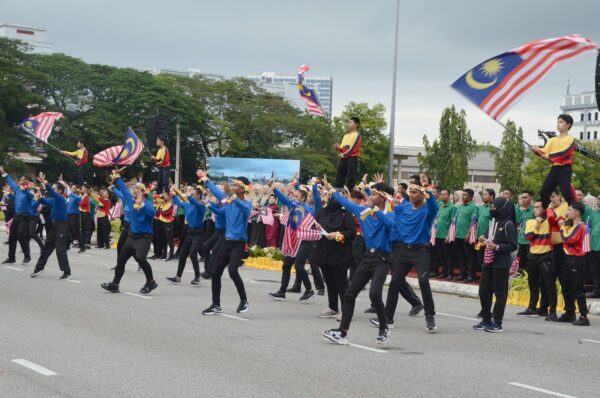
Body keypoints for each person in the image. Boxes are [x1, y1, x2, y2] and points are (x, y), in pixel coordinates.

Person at [323, 182, 395, 345]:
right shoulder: (363, 211)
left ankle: (384, 327)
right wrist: (332, 191)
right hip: (367, 258)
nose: (370, 197)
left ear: (383, 197)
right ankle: (342, 333)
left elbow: (391, 225)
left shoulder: (390, 213)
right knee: (349, 294)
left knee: (374, 294)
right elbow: (346, 203)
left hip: (382, 259)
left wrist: (375, 209)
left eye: (374, 195)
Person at [373, 179, 438, 331]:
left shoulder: (427, 211)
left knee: (423, 282)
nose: (412, 195)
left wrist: (427, 188)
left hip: (421, 251)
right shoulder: (404, 208)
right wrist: (380, 188)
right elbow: (387, 204)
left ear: (423, 195)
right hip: (403, 251)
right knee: (394, 283)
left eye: (415, 192)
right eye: (410, 192)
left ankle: (430, 316)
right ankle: (388, 318)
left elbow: (434, 205)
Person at [200, 171, 252, 315]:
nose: (232, 187)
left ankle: (244, 301)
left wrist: (231, 195)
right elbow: (217, 193)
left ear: (243, 189)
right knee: (215, 273)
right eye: (233, 185)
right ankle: (216, 304)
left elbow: (242, 207)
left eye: (236, 185)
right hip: (226, 241)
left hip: (238, 244)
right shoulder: (228, 201)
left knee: (232, 271)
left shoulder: (247, 205)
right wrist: (205, 179)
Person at [101, 172, 158, 295]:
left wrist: (142, 206)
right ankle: (115, 284)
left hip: (144, 237)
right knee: (121, 260)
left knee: (141, 259)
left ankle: (151, 282)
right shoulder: (130, 201)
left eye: (138, 188)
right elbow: (124, 191)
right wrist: (118, 178)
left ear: (143, 192)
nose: (135, 189)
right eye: (135, 187)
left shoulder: (147, 204)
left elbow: (153, 213)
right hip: (132, 236)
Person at [268, 182, 322, 302]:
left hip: (305, 240)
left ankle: (309, 290)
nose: (294, 198)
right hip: (293, 240)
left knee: (299, 265)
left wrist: (314, 186)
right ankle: (282, 292)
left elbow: (317, 200)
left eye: (297, 196)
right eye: (294, 196)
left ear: (303, 198)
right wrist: (275, 189)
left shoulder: (311, 209)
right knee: (286, 265)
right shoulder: (293, 205)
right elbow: (283, 198)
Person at [473, 197, 518, 333]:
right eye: (491, 208)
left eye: (494, 208)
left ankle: (497, 322)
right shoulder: (493, 222)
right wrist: (483, 240)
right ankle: (486, 319)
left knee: (500, 293)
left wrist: (497, 247)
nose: (492, 210)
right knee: (483, 291)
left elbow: (513, 245)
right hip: (488, 261)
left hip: (501, 263)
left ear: (502, 209)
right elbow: (488, 239)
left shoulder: (508, 224)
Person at [314, 192, 356, 318]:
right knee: (329, 281)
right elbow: (315, 225)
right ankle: (332, 307)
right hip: (324, 251)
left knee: (341, 282)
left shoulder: (345, 213)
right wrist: (317, 227)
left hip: (340, 253)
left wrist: (337, 235)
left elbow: (351, 232)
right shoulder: (322, 211)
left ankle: (346, 311)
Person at [30, 173, 72, 279]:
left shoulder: (61, 199)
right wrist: (39, 197)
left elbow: (52, 193)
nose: (52, 190)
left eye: (54, 188)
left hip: (63, 226)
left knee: (60, 249)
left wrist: (45, 183)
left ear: (60, 191)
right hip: (55, 225)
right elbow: (44, 201)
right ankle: (39, 268)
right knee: (47, 247)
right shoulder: (53, 200)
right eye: (52, 188)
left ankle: (66, 272)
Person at [522, 200, 557, 320]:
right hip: (532, 255)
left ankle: (550, 310)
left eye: (538, 207)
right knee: (533, 283)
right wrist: (537, 225)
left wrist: (549, 208)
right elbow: (528, 237)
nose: (535, 209)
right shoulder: (530, 221)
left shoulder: (549, 221)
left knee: (548, 284)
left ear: (544, 209)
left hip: (546, 255)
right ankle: (531, 307)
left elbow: (552, 217)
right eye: (534, 207)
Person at [532, 114, 576, 208]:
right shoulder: (552, 140)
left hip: (565, 169)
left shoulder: (570, 139)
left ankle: (576, 212)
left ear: (568, 125)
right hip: (555, 168)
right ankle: (550, 212)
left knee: (566, 193)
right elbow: (544, 151)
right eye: (557, 122)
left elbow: (563, 153)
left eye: (561, 122)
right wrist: (536, 150)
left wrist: (547, 155)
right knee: (544, 192)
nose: (558, 124)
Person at [558, 202, 590, 326]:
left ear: (577, 212)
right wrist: (564, 222)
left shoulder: (581, 227)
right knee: (566, 287)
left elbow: (569, 239)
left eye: (570, 210)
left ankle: (583, 316)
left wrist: (562, 227)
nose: (568, 212)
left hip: (577, 259)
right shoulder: (571, 226)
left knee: (578, 288)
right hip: (568, 258)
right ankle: (569, 313)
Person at [167, 186, 206, 285]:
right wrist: (173, 195)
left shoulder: (201, 206)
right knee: (183, 254)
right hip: (190, 232)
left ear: (198, 196)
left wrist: (188, 195)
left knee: (193, 253)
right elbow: (178, 202)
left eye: (193, 194)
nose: (191, 196)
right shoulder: (188, 205)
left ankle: (197, 277)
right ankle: (178, 277)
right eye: (191, 194)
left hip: (198, 233)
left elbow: (195, 202)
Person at [546, 190, 574, 322]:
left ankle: (570, 312)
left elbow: (559, 222)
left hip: (563, 248)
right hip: (551, 248)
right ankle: (551, 311)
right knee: (550, 280)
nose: (551, 199)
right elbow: (552, 221)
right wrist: (553, 212)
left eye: (553, 196)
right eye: (550, 197)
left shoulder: (566, 205)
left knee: (565, 280)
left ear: (559, 196)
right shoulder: (549, 208)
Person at [0, 166, 33, 264]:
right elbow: (10, 181)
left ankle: (27, 256)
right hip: (17, 216)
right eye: (20, 183)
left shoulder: (29, 194)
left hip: (25, 216)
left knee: (21, 235)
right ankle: (11, 258)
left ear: (27, 185)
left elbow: (28, 196)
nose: (21, 185)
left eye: (23, 184)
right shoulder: (18, 190)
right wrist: (3, 172)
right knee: (12, 237)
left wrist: (26, 189)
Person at [454, 189, 478, 282]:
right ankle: (462, 274)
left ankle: (471, 275)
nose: (463, 196)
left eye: (465, 195)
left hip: (467, 236)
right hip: (458, 235)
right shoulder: (459, 207)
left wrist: (468, 234)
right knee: (460, 256)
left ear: (471, 197)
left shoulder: (473, 207)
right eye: (462, 194)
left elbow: (473, 221)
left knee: (470, 256)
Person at [432, 188, 457, 280]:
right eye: (441, 194)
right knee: (440, 255)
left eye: (444, 194)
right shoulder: (440, 205)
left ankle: (450, 273)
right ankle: (444, 272)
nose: (442, 196)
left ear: (449, 196)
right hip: (438, 234)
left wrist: (449, 235)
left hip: (446, 236)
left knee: (448, 256)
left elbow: (453, 223)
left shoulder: (452, 207)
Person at [333, 117, 362, 190]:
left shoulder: (357, 135)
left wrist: (343, 154)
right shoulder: (345, 136)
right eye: (348, 122)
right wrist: (337, 147)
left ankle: (351, 192)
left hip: (352, 158)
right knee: (339, 176)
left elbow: (353, 148)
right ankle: (338, 190)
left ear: (356, 124)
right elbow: (342, 148)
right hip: (344, 158)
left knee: (351, 177)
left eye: (351, 122)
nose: (348, 124)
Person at [515, 191, 535, 274]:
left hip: (530, 241)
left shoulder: (534, 210)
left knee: (530, 263)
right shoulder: (519, 210)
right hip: (520, 239)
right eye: (522, 197)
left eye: (525, 197)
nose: (523, 199)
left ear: (530, 198)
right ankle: (520, 280)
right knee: (520, 262)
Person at [587, 195, 600, 299]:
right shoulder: (593, 214)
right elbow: (588, 230)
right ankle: (597, 291)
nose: (599, 200)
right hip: (594, 247)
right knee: (595, 271)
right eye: (599, 198)